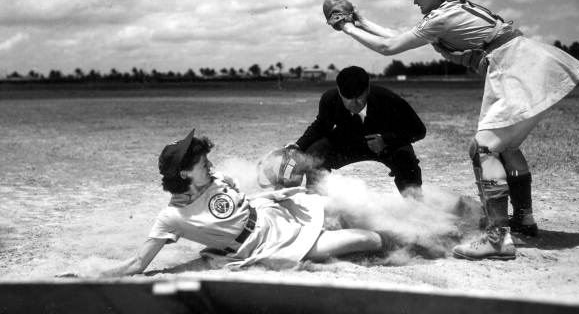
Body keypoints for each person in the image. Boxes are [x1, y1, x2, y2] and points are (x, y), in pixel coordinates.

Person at [325, 0, 579, 260]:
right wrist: (362, 20)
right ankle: (524, 220)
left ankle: (497, 238)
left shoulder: (441, 17)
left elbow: (389, 47)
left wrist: (346, 27)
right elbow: (397, 36)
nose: (414, 2)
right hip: (531, 62)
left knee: (484, 148)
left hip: (515, 68)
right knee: (507, 147)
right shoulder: (453, 9)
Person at [90, 129, 391, 276]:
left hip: (276, 213)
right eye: (200, 162)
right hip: (270, 246)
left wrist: (276, 179)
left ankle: (412, 230)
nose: (208, 164)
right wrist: (93, 276)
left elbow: (244, 192)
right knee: (371, 240)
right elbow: (138, 263)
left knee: (352, 208)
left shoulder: (214, 176)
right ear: (183, 172)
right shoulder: (171, 217)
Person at [288, 65, 426, 195]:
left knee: (406, 159)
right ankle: (317, 199)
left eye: (359, 97)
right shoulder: (330, 99)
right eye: (347, 98)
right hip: (349, 142)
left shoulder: (388, 99)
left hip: (385, 144)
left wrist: (386, 140)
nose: (354, 104)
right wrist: (299, 145)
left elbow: (419, 130)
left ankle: (414, 204)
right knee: (315, 153)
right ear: (339, 91)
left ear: (367, 89)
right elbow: (321, 126)